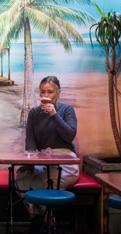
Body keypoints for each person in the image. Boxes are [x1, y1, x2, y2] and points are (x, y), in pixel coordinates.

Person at [16, 76, 79, 219]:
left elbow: (69, 136)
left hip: (65, 160)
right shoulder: (34, 113)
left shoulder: (67, 110)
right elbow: (30, 143)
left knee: (47, 182)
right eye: (42, 92)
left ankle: (46, 225)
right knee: (22, 178)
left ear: (58, 93)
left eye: (49, 92)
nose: (45, 95)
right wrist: (30, 164)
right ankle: (36, 212)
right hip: (43, 159)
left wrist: (54, 115)